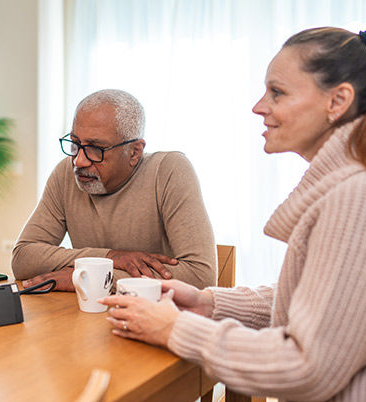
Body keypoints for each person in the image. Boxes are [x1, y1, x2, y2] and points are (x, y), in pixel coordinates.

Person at [100, 26, 366, 402]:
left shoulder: (364, 195)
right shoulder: (365, 183)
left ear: (338, 101)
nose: (258, 107)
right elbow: (328, 301)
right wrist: (210, 304)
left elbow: (308, 364)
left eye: (277, 92)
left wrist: (174, 328)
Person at [12, 89, 216, 291]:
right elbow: (23, 258)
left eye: (95, 148)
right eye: (74, 143)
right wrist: (109, 257)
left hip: (158, 315)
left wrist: (89, 277)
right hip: (89, 313)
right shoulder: (66, 172)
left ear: (134, 152)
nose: (79, 161)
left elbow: (200, 276)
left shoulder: (169, 170)